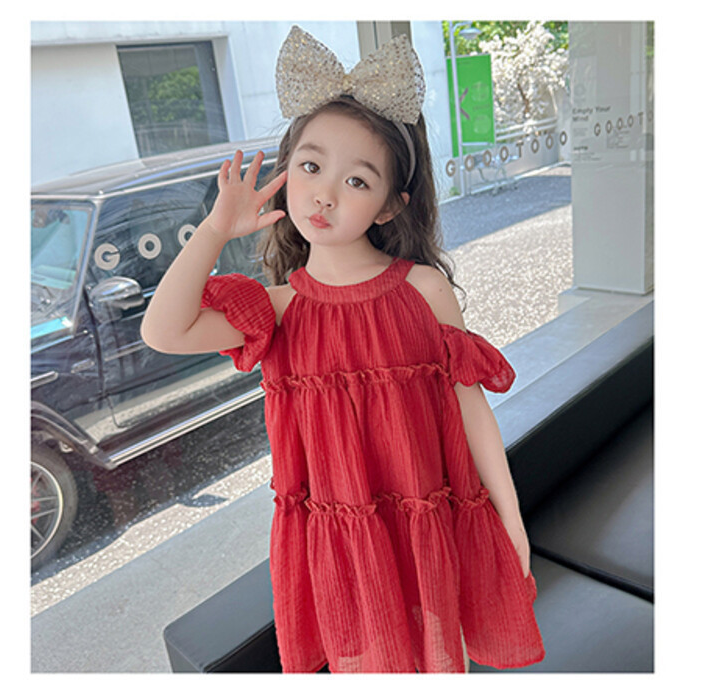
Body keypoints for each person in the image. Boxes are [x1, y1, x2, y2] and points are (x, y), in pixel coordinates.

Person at [141, 25, 545, 674]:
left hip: (431, 519)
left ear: (389, 206)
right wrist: (214, 230)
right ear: (286, 172)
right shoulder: (276, 310)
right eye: (310, 167)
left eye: (357, 181)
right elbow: (165, 331)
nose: (324, 193)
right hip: (341, 544)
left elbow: (471, 410)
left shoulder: (423, 289)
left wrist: (509, 519)